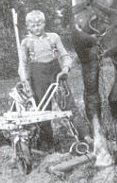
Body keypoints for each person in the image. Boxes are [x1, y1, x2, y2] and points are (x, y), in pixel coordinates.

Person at [18, 10, 90, 151]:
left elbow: (65, 56)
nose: (37, 28)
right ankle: (48, 145)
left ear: (44, 24)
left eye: (39, 24)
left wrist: (66, 69)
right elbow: (23, 65)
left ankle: (86, 137)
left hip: (56, 75)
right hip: (38, 78)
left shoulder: (53, 38)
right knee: (43, 113)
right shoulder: (26, 43)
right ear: (28, 26)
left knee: (70, 107)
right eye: (33, 25)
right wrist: (24, 81)